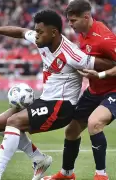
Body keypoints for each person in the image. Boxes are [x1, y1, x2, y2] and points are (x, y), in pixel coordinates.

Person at [0, 9, 114, 180]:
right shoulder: (42, 41)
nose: (36, 35)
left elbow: (104, 63)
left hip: (61, 106)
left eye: (40, 32)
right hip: (46, 101)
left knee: (13, 122)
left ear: (53, 32)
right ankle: (39, 160)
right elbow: (21, 32)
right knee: (1, 122)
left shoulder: (73, 54)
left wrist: (102, 74)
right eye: (36, 31)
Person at [42, 1, 116, 180]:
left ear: (86, 17)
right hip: (94, 91)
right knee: (71, 131)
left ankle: (101, 176)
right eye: (69, 20)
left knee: (94, 123)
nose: (70, 24)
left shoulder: (105, 38)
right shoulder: (83, 34)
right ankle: (67, 174)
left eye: (73, 20)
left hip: (113, 91)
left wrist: (100, 75)